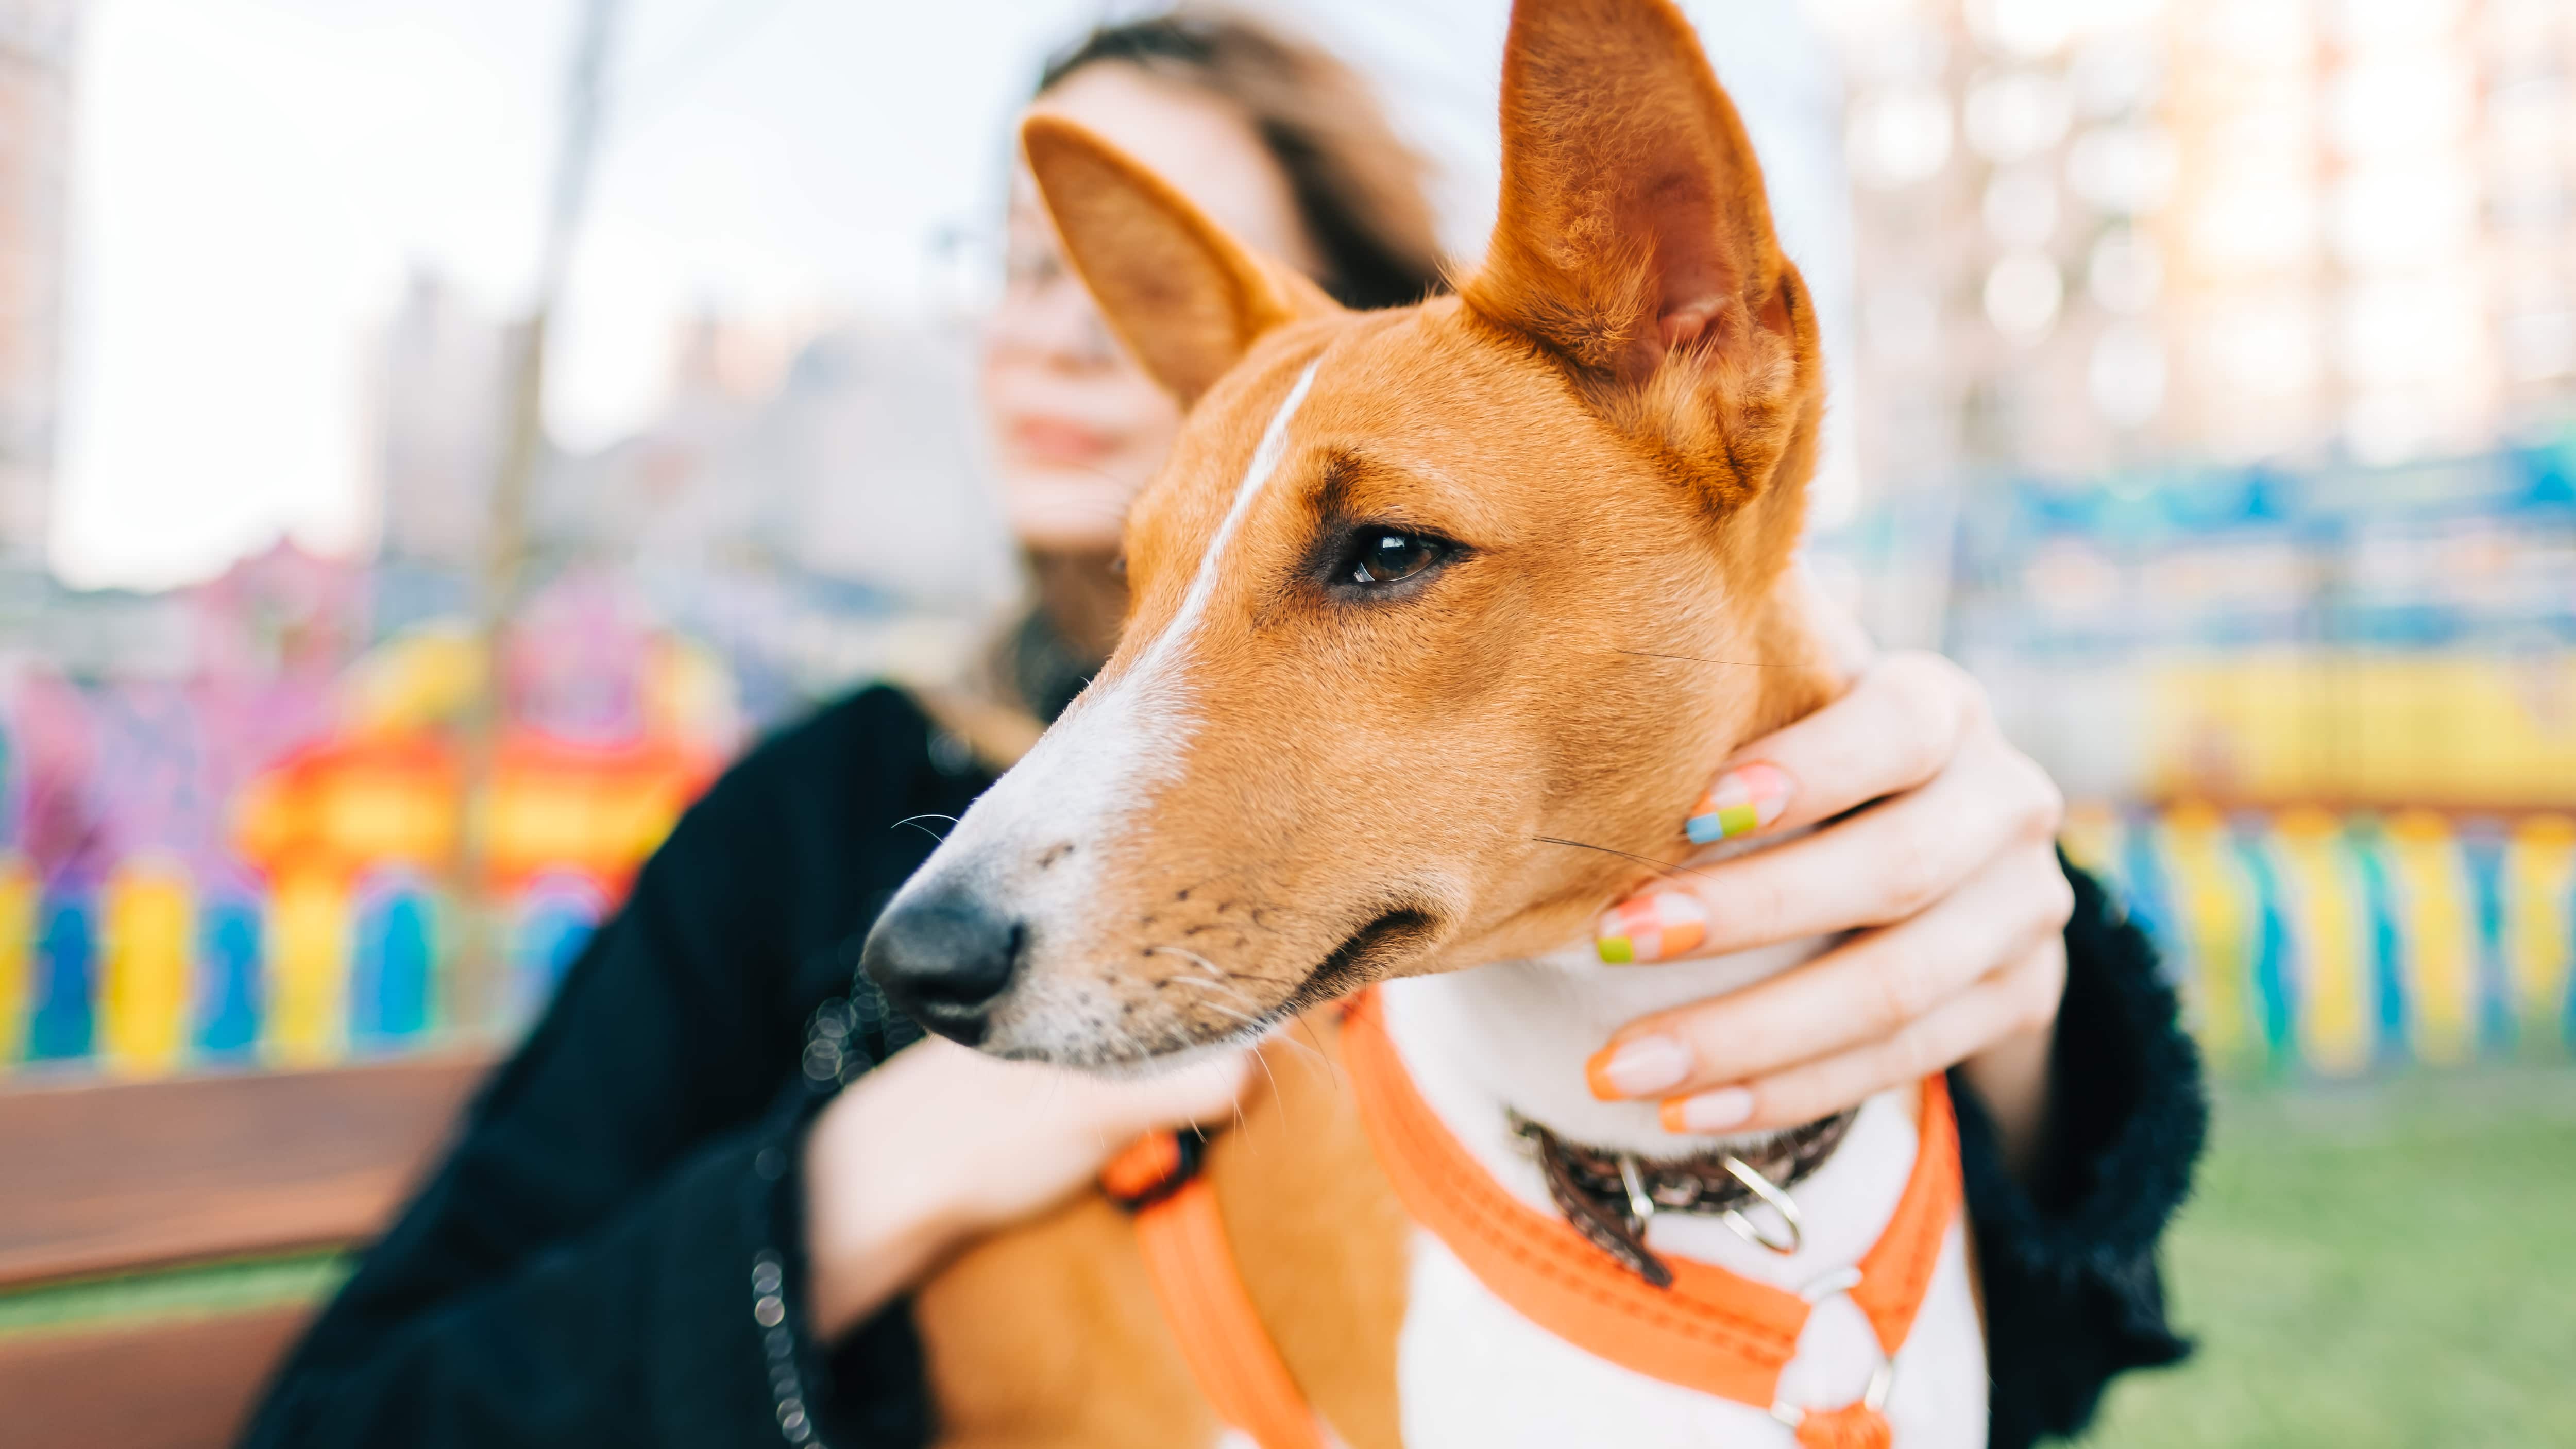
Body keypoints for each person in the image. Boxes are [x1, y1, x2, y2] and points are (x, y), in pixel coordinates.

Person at [243, 13, 2202, 1449]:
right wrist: (867, 1175)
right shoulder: (815, 818)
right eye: (1019, 270)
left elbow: (2005, 1368)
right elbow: (361, 1415)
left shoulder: (1639, 651)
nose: (1062, 323)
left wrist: (2014, 1011)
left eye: (1372, 551)